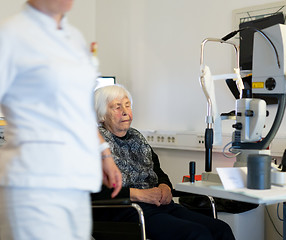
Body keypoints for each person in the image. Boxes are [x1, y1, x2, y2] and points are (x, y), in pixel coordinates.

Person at [0, 1, 122, 239]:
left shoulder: (73, 37)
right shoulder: (11, 35)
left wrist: (104, 151)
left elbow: (78, 109)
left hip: (78, 179)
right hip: (35, 180)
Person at [92, 84, 236, 240]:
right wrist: (139, 195)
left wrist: (165, 187)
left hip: (157, 205)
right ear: (101, 115)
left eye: (127, 105)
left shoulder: (137, 139)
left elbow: (158, 172)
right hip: (125, 210)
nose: (125, 112)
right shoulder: (96, 145)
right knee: (196, 234)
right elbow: (95, 192)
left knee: (220, 229)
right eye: (117, 107)